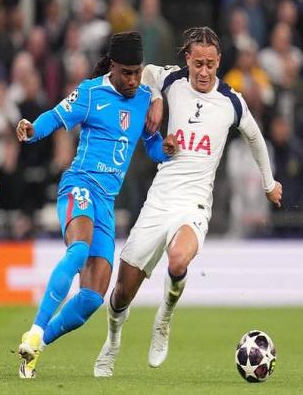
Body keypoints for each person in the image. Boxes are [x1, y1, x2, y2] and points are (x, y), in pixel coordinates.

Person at [93, 27, 283, 378]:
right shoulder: (172, 80)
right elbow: (145, 74)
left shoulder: (231, 101)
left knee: (179, 258)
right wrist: (156, 99)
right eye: (198, 64)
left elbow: (255, 138)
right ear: (187, 59)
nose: (204, 71)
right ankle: (113, 340)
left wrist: (269, 184)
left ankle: (164, 318)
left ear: (219, 61)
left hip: (194, 203)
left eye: (210, 64)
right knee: (121, 293)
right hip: (160, 199)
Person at [15, 31, 178, 379]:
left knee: (92, 298)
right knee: (78, 250)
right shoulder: (90, 93)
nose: (133, 80)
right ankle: (35, 328)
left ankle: (37, 345)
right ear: (113, 67)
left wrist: (164, 149)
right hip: (80, 186)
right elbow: (56, 116)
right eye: (127, 73)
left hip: (106, 202)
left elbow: (150, 145)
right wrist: (32, 129)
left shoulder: (144, 98)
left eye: (137, 72)